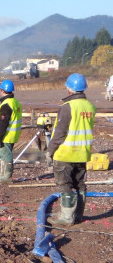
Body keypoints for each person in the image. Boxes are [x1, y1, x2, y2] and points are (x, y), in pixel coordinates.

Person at [46, 73, 96, 226]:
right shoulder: (90, 107)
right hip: (82, 153)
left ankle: (67, 218)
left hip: (65, 154)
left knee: (64, 185)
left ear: (70, 89)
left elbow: (60, 133)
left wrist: (50, 151)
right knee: (80, 185)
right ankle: (79, 215)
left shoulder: (68, 107)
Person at [0, 79, 22, 183]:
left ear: (2, 90)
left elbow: (3, 124)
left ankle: (7, 176)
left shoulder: (6, 104)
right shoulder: (15, 102)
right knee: (5, 155)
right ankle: (4, 175)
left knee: (6, 155)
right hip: (13, 135)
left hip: (6, 136)